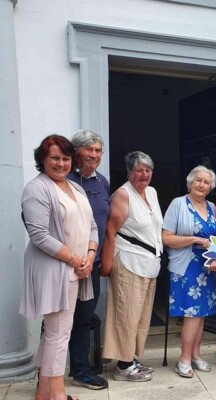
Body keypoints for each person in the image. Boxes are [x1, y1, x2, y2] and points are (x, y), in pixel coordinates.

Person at [21, 134, 97, 400]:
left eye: (65, 158)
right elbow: (39, 235)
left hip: (76, 269)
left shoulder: (75, 188)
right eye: (54, 157)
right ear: (42, 159)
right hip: (54, 271)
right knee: (58, 333)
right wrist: (76, 260)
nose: (61, 163)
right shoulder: (37, 188)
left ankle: (44, 392)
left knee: (55, 332)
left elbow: (92, 226)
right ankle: (57, 395)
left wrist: (89, 254)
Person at [100, 151, 163, 382]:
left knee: (141, 316)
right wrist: (106, 265)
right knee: (126, 314)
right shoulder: (122, 195)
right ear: (129, 173)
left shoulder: (152, 193)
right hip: (128, 261)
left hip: (148, 263)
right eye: (139, 170)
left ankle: (130, 357)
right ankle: (123, 366)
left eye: (147, 170)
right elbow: (110, 231)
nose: (144, 174)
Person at [162, 166, 216, 378]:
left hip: (209, 268)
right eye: (198, 180)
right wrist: (195, 240)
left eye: (206, 182)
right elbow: (166, 238)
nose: (202, 185)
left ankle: (196, 356)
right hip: (187, 266)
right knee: (191, 314)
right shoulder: (178, 204)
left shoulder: (213, 207)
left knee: (202, 313)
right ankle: (184, 359)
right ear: (190, 182)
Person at [67, 130, 110, 390]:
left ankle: (80, 370)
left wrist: (101, 257)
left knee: (83, 317)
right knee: (57, 318)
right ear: (75, 152)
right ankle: (46, 375)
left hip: (91, 264)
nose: (94, 155)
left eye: (98, 151)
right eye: (89, 150)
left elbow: (105, 224)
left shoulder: (101, 182)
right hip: (65, 263)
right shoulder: (63, 179)